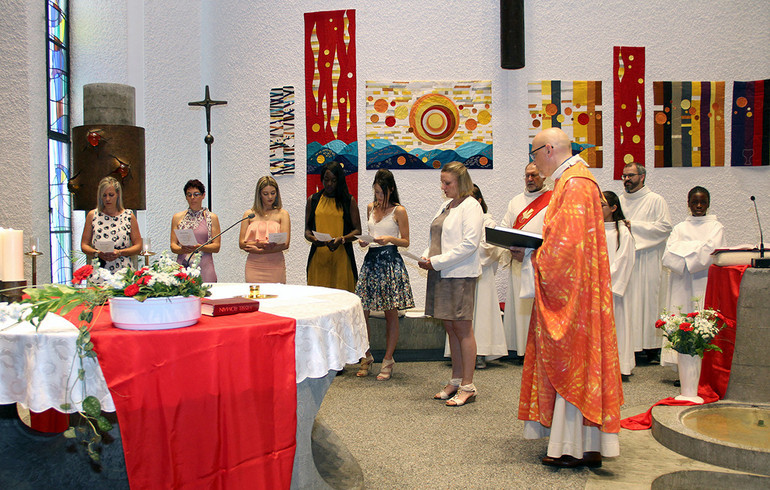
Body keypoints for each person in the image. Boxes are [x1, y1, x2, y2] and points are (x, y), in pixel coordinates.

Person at [518, 128, 623, 468]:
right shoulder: (574, 180)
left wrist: (536, 255)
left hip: (574, 298)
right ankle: (587, 444)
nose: (533, 162)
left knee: (571, 362)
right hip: (582, 292)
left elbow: (565, 249)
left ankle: (571, 447)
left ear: (549, 149)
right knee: (581, 363)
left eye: (534, 154)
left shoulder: (575, 184)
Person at [419, 161, 483, 407]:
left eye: (447, 183)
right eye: (442, 182)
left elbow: (469, 245)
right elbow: (437, 237)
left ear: (461, 182)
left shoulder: (471, 206)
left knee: (463, 329)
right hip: (441, 272)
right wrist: (427, 256)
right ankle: (456, 380)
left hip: (459, 275)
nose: (443, 187)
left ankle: (468, 385)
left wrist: (437, 261)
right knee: (450, 328)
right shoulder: (446, 205)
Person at [354, 169, 415, 380]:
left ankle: (388, 359)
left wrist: (390, 238)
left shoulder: (399, 210)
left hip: (389, 260)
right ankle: (366, 354)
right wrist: (365, 240)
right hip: (371, 260)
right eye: (376, 192)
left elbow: (406, 241)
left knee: (391, 311)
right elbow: (370, 234)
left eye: (381, 193)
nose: (378, 197)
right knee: (362, 309)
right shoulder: (371, 207)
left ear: (390, 189)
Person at [660, 186, 725, 368]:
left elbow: (711, 252)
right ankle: (682, 368)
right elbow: (669, 255)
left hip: (705, 280)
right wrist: (697, 248)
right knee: (682, 317)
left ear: (708, 204)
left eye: (702, 202)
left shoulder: (716, 227)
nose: (698, 205)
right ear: (687, 204)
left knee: (703, 318)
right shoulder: (680, 228)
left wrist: (684, 250)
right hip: (682, 282)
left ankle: (704, 367)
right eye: (694, 202)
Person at [444, 184, 507, 369]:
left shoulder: (489, 223)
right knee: (461, 316)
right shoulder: (458, 219)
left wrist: (467, 252)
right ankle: (457, 353)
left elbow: (490, 249)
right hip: (461, 273)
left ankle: (481, 352)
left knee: (481, 314)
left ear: (479, 201)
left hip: (481, 275)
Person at [619, 162, 672, 363]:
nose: (626, 180)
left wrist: (635, 227)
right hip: (626, 260)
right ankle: (629, 347)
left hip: (648, 259)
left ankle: (652, 347)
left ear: (642, 177)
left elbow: (665, 227)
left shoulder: (655, 200)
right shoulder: (619, 202)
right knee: (629, 304)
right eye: (624, 176)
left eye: (630, 175)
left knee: (649, 302)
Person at [499, 162, 551, 360]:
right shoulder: (515, 202)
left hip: (540, 264)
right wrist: (508, 247)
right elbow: (505, 226)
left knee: (538, 308)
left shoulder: (553, 200)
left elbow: (555, 234)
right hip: (518, 263)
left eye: (534, 175)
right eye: (527, 176)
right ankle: (523, 350)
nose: (530, 179)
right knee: (521, 308)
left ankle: (542, 350)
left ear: (544, 176)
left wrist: (532, 252)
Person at [305, 161, 361, 292]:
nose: (329, 184)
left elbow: (357, 230)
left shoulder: (349, 201)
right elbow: (307, 230)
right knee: (319, 301)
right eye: (326, 179)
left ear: (339, 181)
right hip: (318, 260)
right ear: (322, 179)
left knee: (342, 301)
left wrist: (342, 239)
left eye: (334, 180)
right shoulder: (313, 200)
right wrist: (313, 239)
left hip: (342, 260)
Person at [603, 191, 636, 379]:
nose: (598, 208)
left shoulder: (621, 231)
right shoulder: (592, 228)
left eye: (602, 205)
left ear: (614, 208)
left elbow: (625, 259)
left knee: (617, 325)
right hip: (596, 287)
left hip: (613, 289)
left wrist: (606, 280)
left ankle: (619, 366)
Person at [81, 176, 142, 272]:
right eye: (104, 195)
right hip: (99, 268)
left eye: (111, 195)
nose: (107, 199)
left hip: (122, 269)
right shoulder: (93, 215)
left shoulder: (128, 215)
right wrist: (97, 253)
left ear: (118, 194)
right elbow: (84, 245)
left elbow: (138, 246)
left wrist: (120, 252)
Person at [239, 176, 291, 283]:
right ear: (259, 195)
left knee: (276, 297)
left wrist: (259, 250)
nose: (270, 197)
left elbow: (285, 244)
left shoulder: (283, 214)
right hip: (254, 265)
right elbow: (242, 243)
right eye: (265, 194)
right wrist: (263, 243)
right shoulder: (249, 214)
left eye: (273, 193)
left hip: (275, 264)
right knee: (254, 297)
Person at [170, 179, 221, 282]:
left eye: (196, 194)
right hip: (182, 267)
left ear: (203, 195)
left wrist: (199, 247)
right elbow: (173, 245)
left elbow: (216, 247)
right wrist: (182, 249)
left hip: (204, 267)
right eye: (189, 195)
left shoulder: (211, 218)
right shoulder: (177, 217)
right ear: (186, 197)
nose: (192, 198)